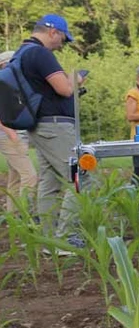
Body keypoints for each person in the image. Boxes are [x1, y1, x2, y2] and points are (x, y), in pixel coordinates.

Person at [18, 14, 82, 246]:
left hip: (39, 126)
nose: (61, 44)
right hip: (54, 126)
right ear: (53, 31)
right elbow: (65, 89)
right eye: (63, 39)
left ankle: (49, 240)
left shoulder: (22, 53)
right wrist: (77, 79)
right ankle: (66, 238)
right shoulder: (40, 54)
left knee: (50, 183)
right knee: (82, 176)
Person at [0, 49, 38, 214]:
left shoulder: (9, 84)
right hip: (9, 137)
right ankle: (26, 214)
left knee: (15, 179)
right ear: (4, 65)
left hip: (15, 136)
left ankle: (13, 215)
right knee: (30, 177)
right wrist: (12, 135)